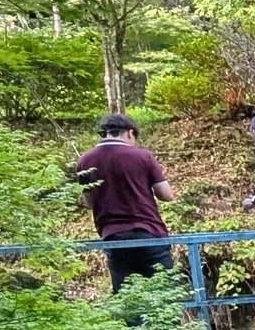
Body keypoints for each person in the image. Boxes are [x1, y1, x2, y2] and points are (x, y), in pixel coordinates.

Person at [69, 113, 178, 292]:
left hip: (113, 236)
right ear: (129, 133)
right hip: (148, 232)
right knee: (164, 291)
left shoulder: (85, 161)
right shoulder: (142, 156)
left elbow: (90, 203)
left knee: (126, 295)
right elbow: (166, 195)